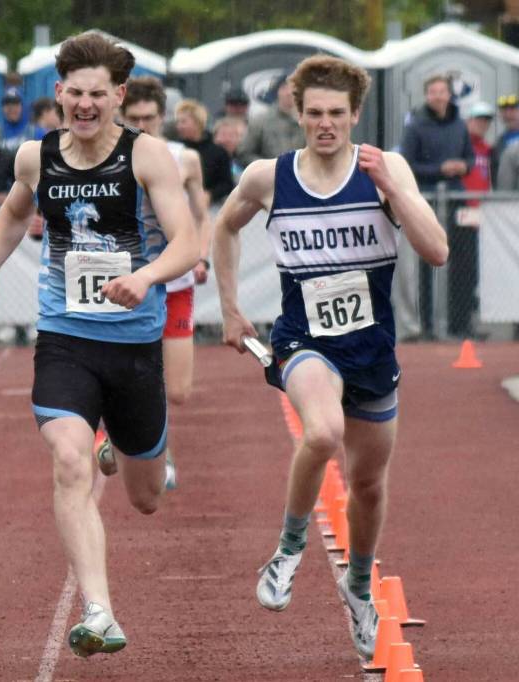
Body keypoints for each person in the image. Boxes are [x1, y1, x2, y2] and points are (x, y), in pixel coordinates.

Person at [0, 31, 197, 658]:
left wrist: (145, 277)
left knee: (146, 498)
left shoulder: (147, 157)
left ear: (118, 96)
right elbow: (15, 213)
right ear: (59, 93)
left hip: (134, 344)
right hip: (66, 337)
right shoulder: (36, 157)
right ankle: (100, 610)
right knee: (68, 460)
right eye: (76, 94)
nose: (86, 105)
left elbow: (189, 243)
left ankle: (123, 444)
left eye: (99, 94)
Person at [212, 55, 448, 660]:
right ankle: (289, 549)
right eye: (314, 113)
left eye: (336, 114)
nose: (324, 125)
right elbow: (225, 227)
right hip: (303, 340)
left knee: (367, 484)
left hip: (371, 348)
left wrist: (392, 187)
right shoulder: (271, 177)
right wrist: (232, 308)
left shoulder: (383, 169)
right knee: (321, 433)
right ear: (297, 112)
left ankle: (359, 587)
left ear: (355, 115)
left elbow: (438, 250)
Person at [115, 75, 212, 489]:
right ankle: (156, 452)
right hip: (124, 284)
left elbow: (202, 215)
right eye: (134, 118)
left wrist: (201, 254)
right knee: (126, 373)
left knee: (178, 390)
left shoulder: (184, 158)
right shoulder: (108, 156)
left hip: (173, 283)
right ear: (121, 116)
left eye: (150, 118)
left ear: (163, 116)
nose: (143, 125)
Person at [400, 74, 473, 338]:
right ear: (426, 95)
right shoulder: (415, 126)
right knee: (427, 266)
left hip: (457, 202)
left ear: (449, 94)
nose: (438, 96)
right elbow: (406, 164)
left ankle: (460, 325)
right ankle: (427, 325)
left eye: (442, 91)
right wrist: (439, 169)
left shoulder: (460, 125)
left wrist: (463, 166)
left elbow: (470, 158)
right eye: (433, 91)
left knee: (461, 263)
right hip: (427, 203)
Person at [236, 73, 304, 167]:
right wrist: (270, 167)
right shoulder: (260, 121)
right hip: (270, 178)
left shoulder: (309, 120)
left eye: (294, 88)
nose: (289, 92)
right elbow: (244, 154)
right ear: (277, 92)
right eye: (284, 88)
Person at [175, 99, 234, 204]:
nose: (179, 126)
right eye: (178, 122)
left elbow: (227, 184)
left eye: (183, 122)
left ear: (197, 122)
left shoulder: (218, 152)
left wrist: (210, 195)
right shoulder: (175, 149)